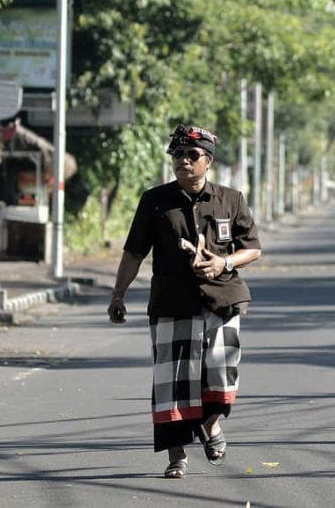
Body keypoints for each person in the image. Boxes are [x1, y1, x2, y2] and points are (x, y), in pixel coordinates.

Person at [107, 124, 262, 478]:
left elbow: (252, 248)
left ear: (209, 161)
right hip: (171, 302)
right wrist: (118, 294)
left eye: (192, 155)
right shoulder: (154, 201)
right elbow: (134, 253)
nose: (184, 161)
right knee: (172, 382)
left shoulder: (231, 199)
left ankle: (210, 424)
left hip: (222, 299)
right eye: (178, 155)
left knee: (220, 372)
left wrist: (224, 263)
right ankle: (176, 456)